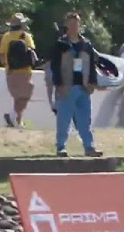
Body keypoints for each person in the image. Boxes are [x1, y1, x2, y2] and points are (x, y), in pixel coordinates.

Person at [49, 12, 102, 157]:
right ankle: (61, 147)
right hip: (66, 86)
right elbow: (55, 65)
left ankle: (89, 147)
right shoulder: (60, 44)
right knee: (63, 119)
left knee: (85, 119)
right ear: (66, 25)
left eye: (76, 24)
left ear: (79, 25)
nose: (73, 27)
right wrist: (58, 83)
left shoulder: (86, 44)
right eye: (70, 24)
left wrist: (92, 81)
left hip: (83, 86)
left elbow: (92, 64)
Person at [0, 13, 38, 129]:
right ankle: (12, 117)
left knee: (18, 97)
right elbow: (31, 52)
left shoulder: (6, 36)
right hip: (25, 70)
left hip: (11, 70)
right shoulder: (26, 36)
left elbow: (1, 54)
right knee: (25, 96)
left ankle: (17, 121)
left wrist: (7, 65)